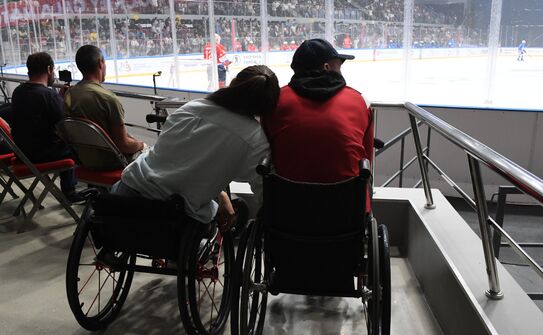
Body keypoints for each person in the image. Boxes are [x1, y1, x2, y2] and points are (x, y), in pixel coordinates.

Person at [112, 65, 280, 231]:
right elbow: (263, 192)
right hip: (174, 219)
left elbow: (175, 166)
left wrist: (220, 194)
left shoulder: (191, 108)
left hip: (125, 194)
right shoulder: (255, 140)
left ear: (233, 82)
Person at [262, 38, 374, 211]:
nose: (341, 70)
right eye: (339, 65)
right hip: (346, 210)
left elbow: (267, 148)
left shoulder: (274, 101)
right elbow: (366, 157)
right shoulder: (359, 101)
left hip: (288, 210)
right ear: (327, 68)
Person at [10, 52, 83, 202]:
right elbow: (65, 125)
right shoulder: (48, 95)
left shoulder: (18, 92)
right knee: (76, 146)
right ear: (49, 69)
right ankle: (70, 191)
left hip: (23, 153)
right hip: (42, 154)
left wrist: (59, 98)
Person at [64, 45, 145, 168]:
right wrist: (141, 145)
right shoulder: (108, 99)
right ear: (100, 63)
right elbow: (124, 145)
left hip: (83, 161)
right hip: (111, 162)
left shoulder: (69, 95)